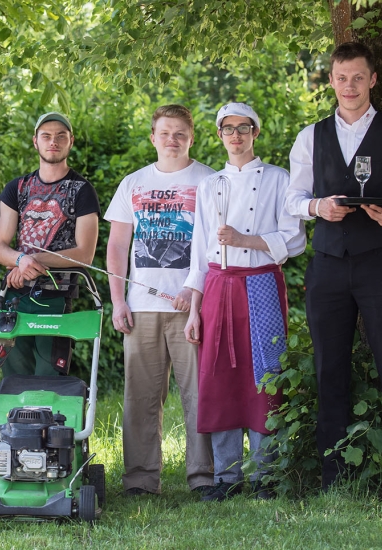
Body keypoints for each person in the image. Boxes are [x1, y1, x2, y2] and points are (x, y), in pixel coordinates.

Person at [285, 42, 382, 500]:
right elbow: (292, 200)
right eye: (340, 77)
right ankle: (336, 480)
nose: (348, 86)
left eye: (357, 77)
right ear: (329, 80)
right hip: (328, 268)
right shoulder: (310, 137)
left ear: (372, 80)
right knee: (330, 369)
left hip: (379, 265)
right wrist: (317, 206)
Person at [183, 102, 306, 501]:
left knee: (265, 377)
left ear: (256, 132)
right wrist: (194, 310)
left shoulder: (278, 179)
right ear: (219, 135)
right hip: (218, 287)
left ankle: (265, 475)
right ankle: (226, 477)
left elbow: (294, 240)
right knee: (219, 378)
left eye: (243, 128)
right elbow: (200, 249)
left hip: (262, 285)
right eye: (228, 129)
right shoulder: (209, 184)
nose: (236, 135)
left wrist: (244, 240)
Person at [104, 104, 216, 497]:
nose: (172, 139)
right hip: (142, 308)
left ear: (191, 137)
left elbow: (217, 246)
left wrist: (196, 291)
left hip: (192, 308)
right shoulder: (134, 183)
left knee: (199, 396)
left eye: (180, 133)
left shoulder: (210, 181)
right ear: (153, 137)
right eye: (165, 132)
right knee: (140, 398)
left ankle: (204, 477)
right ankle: (139, 479)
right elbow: (117, 245)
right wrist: (119, 300)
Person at [0, 112, 100, 377]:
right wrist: (20, 260)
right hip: (15, 295)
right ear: (35, 142)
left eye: (61, 136)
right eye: (47, 136)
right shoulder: (17, 188)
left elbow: (84, 254)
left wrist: (34, 260)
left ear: (70, 141)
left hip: (56, 298)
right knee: (13, 379)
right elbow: (0, 247)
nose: (54, 141)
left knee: (49, 378)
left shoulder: (82, 189)